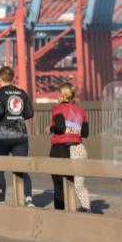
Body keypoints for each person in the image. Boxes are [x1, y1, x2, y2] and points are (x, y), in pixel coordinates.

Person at [0, 66, 34, 207]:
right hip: (20, 135)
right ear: (12, 78)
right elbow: (30, 113)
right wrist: (17, 116)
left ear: (0, 78)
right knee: (21, 167)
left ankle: (1, 201)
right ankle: (28, 199)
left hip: (2, 136)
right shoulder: (22, 93)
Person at [48, 83, 91, 212]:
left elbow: (60, 127)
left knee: (59, 186)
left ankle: (61, 215)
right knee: (78, 185)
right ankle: (86, 209)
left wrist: (50, 128)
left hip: (61, 148)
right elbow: (85, 133)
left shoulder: (58, 108)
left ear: (62, 96)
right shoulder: (82, 111)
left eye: (58, 94)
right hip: (79, 149)